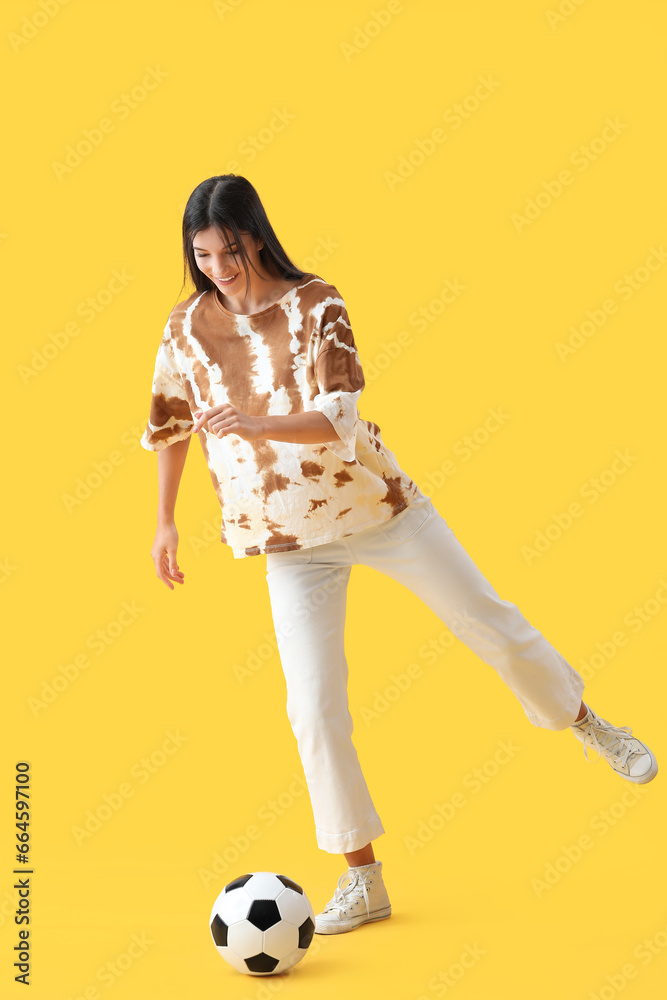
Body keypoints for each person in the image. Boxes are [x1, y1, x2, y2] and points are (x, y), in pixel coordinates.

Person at [140, 174, 658, 937]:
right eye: (203, 254)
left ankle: (582, 719)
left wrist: (253, 422)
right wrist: (164, 522)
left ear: (256, 236)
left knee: (491, 624)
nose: (217, 266)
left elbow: (338, 417)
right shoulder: (186, 326)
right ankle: (362, 878)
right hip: (285, 540)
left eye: (230, 251)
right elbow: (170, 423)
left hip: (377, 509)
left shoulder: (318, 303)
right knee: (312, 709)